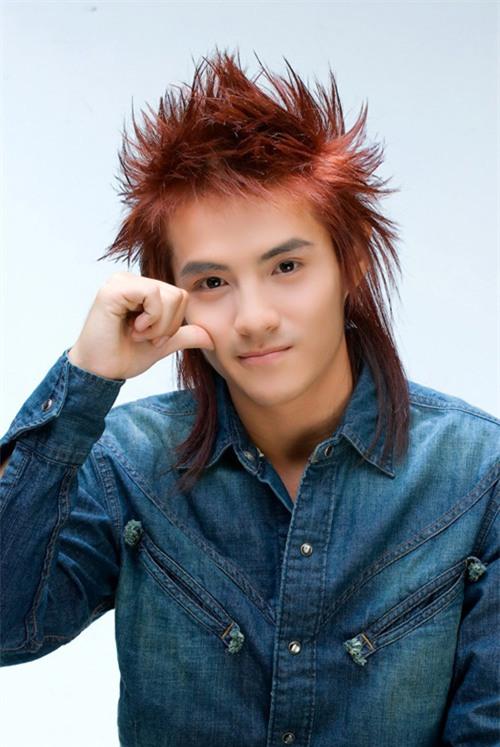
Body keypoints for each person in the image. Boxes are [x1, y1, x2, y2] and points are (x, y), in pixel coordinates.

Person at [0, 48, 498, 747]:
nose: (255, 317)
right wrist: (86, 378)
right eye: (212, 282)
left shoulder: (477, 474)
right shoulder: (130, 464)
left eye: (286, 266)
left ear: (351, 262)